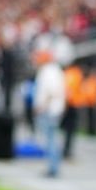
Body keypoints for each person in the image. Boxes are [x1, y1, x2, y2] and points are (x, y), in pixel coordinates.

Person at [33, 49, 67, 178]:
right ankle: (52, 166)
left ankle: (53, 167)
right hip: (54, 109)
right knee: (52, 138)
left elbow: (51, 92)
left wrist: (42, 106)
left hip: (49, 110)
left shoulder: (48, 71)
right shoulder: (55, 71)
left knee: (50, 139)